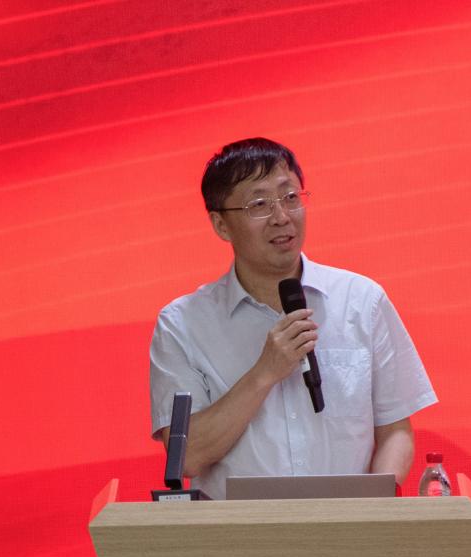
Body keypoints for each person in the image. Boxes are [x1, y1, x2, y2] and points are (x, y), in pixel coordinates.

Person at [149, 137, 436, 500]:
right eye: (259, 205)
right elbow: (189, 456)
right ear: (221, 225)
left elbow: (395, 430)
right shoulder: (182, 324)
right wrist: (264, 372)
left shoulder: (362, 301)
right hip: (236, 533)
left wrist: (373, 509)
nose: (282, 217)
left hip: (347, 529)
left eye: (290, 197)